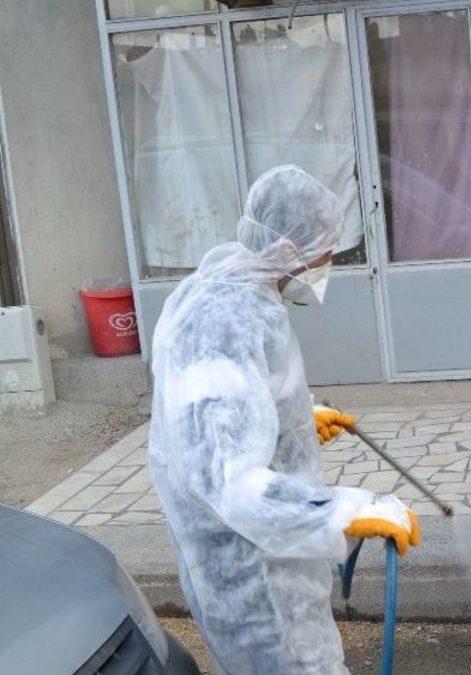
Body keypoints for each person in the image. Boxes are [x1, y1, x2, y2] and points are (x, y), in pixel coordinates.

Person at [148, 165, 420, 674]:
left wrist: (294, 419)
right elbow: (225, 478)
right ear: (290, 248)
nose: (329, 263)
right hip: (256, 580)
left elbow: (219, 416)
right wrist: (338, 513)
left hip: (267, 565)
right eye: (326, 251)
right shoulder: (222, 322)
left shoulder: (231, 286)